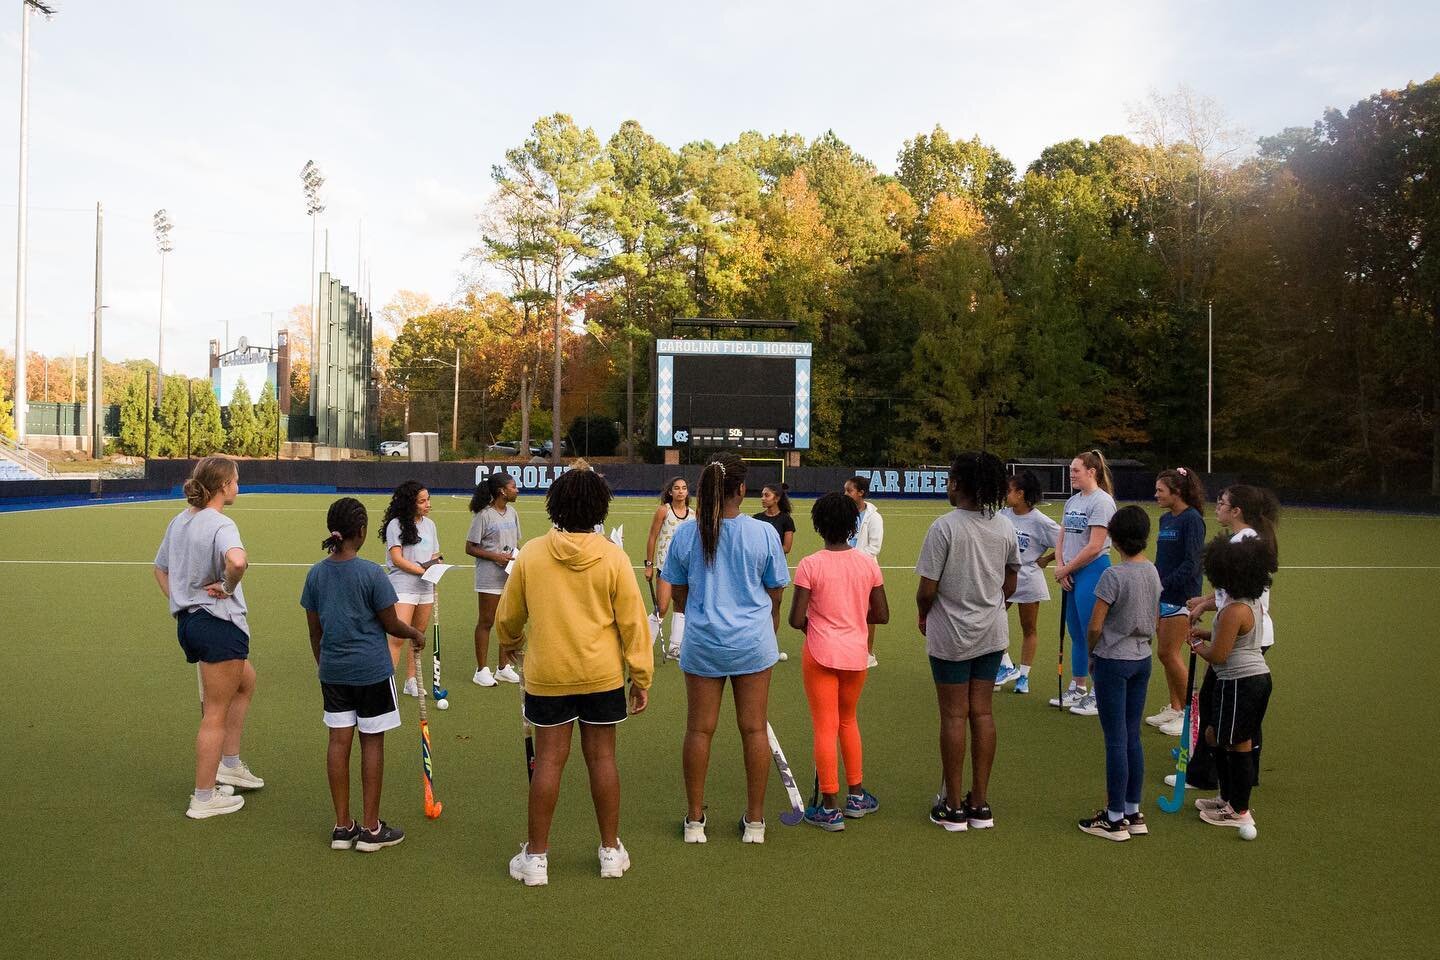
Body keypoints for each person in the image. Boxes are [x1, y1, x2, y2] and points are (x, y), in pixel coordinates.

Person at [497, 468, 652, 885]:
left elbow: (509, 615)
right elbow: (634, 624)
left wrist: (510, 640)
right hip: (601, 676)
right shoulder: (614, 557)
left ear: (555, 506)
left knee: (549, 761)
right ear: (600, 508)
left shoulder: (531, 553)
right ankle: (609, 851)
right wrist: (641, 676)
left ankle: (536, 858)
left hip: (549, 675)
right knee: (602, 759)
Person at [661, 453, 789, 845]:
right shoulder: (763, 532)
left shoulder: (687, 533)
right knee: (753, 729)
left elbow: (679, 593)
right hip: (752, 642)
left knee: (699, 729)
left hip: (704, 641)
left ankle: (695, 820)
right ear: (742, 490)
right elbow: (776, 589)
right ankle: (755, 822)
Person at [300, 497, 426, 852]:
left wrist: (323, 664)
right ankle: (371, 829)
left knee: (338, 742)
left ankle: (343, 826)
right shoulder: (372, 573)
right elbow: (391, 624)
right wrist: (415, 634)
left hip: (334, 672)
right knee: (372, 743)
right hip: (372, 671)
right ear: (362, 532)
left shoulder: (316, 573)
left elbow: (315, 630)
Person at [153, 455, 264, 820]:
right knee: (214, 712)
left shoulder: (180, 521)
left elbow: (160, 569)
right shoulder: (222, 523)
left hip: (191, 625)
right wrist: (227, 587)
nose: (238, 486)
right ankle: (203, 797)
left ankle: (228, 764)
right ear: (222, 487)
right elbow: (237, 562)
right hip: (217, 625)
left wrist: (182, 600)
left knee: (246, 683)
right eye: (235, 480)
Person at [917, 452, 1019, 832]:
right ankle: (980, 803)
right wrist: (996, 606)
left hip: (952, 634)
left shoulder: (944, 527)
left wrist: (924, 613)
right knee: (983, 712)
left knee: (954, 715)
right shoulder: (1004, 527)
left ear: (957, 484)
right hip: (991, 633)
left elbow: (927, 589)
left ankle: (954, 805)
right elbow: (1010, 581)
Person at [788, 493, 888, 831]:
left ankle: (830, 806)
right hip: (855, 654)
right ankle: (856, 796)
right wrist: (855, 618)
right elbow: (883, 614)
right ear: (853, 524)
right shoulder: (867, 563)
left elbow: (795, 617)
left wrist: (816, 627)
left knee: (824, 726)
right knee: (848, 721)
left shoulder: (810, 564)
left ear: (819, 526)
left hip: (819, 653)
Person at [1180, 485, 1279, 794]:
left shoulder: (1242, 543)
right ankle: (1242, 776)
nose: (1217, 507)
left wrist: (1202, 628)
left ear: (1236, 511)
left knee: (1215, 707)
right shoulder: (1244, 540)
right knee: (1241, 712)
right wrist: (1205, 602)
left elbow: (1236, 593)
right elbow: (1226, 591)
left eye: (1222, 503)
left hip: (1244, 635)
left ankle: (1206, 776)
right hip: (1246, 631)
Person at [1077, 506, 1161, 841]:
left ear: (1114, 536)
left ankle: (1113, 819)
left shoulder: (1113, 575)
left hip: (1114, 659)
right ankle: (1132, 810)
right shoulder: (1152, 571)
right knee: (1132, 736)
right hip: (1142, 657)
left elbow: (1095, 624)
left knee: (1115, 739)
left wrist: (1093, 652)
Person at [1187, 535, 1274, 832]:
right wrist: (1205, 634)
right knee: (1214, 735)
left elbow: (1221, 654)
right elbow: (1229, 638)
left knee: (1238, 743)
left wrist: (1199, 647)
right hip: (1242, 680)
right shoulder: (1245, 603)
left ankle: (1239, 809)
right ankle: (1227, 797)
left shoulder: (1236, 610)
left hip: (1241, 682)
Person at [1050, 450, 1117, 716]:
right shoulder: (1073, 501)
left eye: (1076, 470)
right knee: (1076, 632)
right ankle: (1078, 687)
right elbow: (1062, 537)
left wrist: (1067, 567)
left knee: (1094, 634)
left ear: (1092, 472)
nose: (1071, 475)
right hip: (1071, 573)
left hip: (1093, 571)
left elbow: (1095, 546)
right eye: (1070, 471)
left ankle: (1100, 694)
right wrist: (1060, 566)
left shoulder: (1102, 502)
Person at [1147, 468, 1206, 737]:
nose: (1156, 494)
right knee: (1166, 654)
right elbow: (1162, 559)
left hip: (1182, 597)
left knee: (1168, 654)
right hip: (1163, 595)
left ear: (1177, 492)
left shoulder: (1192, 519)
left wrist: (1164, 583)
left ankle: (1191, 715)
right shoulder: (1165, 520)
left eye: (1160, 490)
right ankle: (1175, 706)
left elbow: (1193, 564)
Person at [995, 471, 1059, 693]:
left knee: (1029, 628)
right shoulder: (1002, 514)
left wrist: (1047, 559)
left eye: (1009, 491)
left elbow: (1064, 540)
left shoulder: (1040, 521)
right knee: (993, 619)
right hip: (1004, 579)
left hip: (1029, 579)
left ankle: (1023, 676)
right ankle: (1005, 665)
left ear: (1020, 494)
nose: (1005, 494)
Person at [380, 481, 441, 696]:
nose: (427, 504)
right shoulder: (396, 525)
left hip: (425, 587)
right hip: (403, 586)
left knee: (418, 635)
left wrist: (436, 566)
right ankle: (386, 684)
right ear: (410, 503)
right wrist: (421, 570)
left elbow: (434, 555)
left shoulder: (430, 525)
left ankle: (411, 680)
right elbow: (397, 559)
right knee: (397, 637)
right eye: (422, 501)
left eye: (428, 500)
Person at [467, 471, 522, 687]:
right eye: (513, 487)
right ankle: (481, 670)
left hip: (509, 575)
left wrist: (518, 558)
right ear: (502, 491)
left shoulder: (513, 513)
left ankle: (503, 667)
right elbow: (470, 547)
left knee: (506, 621)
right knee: (487, 621)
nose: (516, 490)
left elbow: (516, 543)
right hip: (489, 577)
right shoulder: (484, 515)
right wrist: (495, 556)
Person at [644, 476, 693, 661]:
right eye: (677, 488)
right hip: (665, 567)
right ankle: (645, 644)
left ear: (687, 492)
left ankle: (675, 647)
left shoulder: (693, 515)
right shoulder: (664, 511)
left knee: (681, 607)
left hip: (685, 569)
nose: (681, 491)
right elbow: (652, 537)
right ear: (670, 491)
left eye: (684, 488)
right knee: (662, 607)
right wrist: (649, 564)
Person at [845, 475, 885, 667]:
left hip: (865, 571)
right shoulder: (844, 513)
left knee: (868, 612)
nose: (846, 494)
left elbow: (873, 548)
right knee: (847, 611)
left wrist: (854, 563)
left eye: (849, 490)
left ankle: (868, 653)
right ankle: (849, 649)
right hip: (843, 569)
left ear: (861, 493)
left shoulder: (874, 517)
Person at [753, 482, 796, 555]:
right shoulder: (756, 518)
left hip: (777, 564)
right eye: (762, 495)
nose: (762, 498)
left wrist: (767, 553)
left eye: (766, 495)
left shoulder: (786, 520)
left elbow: (786, 548)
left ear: (777, 498)